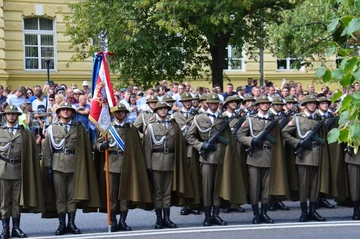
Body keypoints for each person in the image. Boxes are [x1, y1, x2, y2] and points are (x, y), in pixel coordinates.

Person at [186, 93, 246, 227]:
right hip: (206, 158)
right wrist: (202, 145)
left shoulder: (222, 118)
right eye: (211, 103)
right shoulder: (199, 118)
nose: (213, 106)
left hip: (220, 158)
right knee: (207, 188)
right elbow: (190, 137)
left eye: (216, 103)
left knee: (219, 188)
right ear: (207, 104)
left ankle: (216, 214)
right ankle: (207, 216)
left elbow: (229, 140)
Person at [43, 102, 100, 235]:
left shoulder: (79, 128)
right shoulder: (52, 128)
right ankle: (62, 224)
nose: (66, 112)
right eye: (63, 110)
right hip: (57, 165)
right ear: (58, 113)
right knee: (60, 196)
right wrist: (48, 166)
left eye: (68, 110)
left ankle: (72, 223)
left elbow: (84, 147)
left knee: (72, 197)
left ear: (72, 113)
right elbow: (47, 150)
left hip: (75, 165)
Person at [95, 103, 152, 232]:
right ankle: (113, 221)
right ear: (113, 114)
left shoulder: (131, 129)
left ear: (126, 114)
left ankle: (123, 221)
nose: (120, 114)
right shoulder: (107, 128)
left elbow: (137, 146)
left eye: (122, 112)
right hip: (111, 164)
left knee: (125, 194)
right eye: (117, 112)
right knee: (112, 195)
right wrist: (101, 146)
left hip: (127, 165)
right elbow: (96, 144)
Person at [237, 96, 288, 224]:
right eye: (263, 104)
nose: (265, 105)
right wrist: (251, 141)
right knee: (254, 187)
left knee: (267, 188)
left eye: (267, 104)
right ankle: (256, 214)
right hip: (254, 157)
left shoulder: (273, 121)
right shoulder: (250, 120)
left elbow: (278, 139)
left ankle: (264, 213)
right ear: (258, 106)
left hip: (269, 157)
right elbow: (239, 135)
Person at [144, 101, 193, 229]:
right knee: (158, 192)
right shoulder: (150, 126)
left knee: (167, 192)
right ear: (156, 111)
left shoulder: (173, 125)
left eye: (165, 109)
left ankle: (167, 218)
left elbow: (179, 146)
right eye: (160, 109)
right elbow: (147, 148)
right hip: (156, 162)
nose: (163, 111)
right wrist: (148, 166)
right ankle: (159, 218)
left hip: (171, 162)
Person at [282, 95, 330, 222]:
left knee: (315, 185)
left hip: (317, 154)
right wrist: (298, 143)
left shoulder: (318, 119)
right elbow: (285, 133)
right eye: (310, 103)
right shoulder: (297, 119)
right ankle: (304, 211)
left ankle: (313, 211)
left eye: (314, 103)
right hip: (304, 155)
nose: (313, 105)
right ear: (305, 105)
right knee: (304, 185)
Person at [0, 105, 43, 239]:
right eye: (9, 114)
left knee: (17, 200)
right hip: (3, 169)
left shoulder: (25, 133)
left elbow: (31, 152)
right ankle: (5, 229)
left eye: (13, 114)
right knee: (4, 201)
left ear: (17, 116)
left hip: (19, 169)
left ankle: (16, 228)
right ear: (5, 116)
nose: (11, 116)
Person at [172, 92, 201, 216]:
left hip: (193, 149)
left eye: (190, 101)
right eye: (186, 101)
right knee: (183, 177)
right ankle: (184, 204)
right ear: (182, 102)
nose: (188, 103)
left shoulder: (197, 115)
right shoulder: (175, 116)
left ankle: (195, 204)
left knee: (194, 177)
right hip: (181, 149)